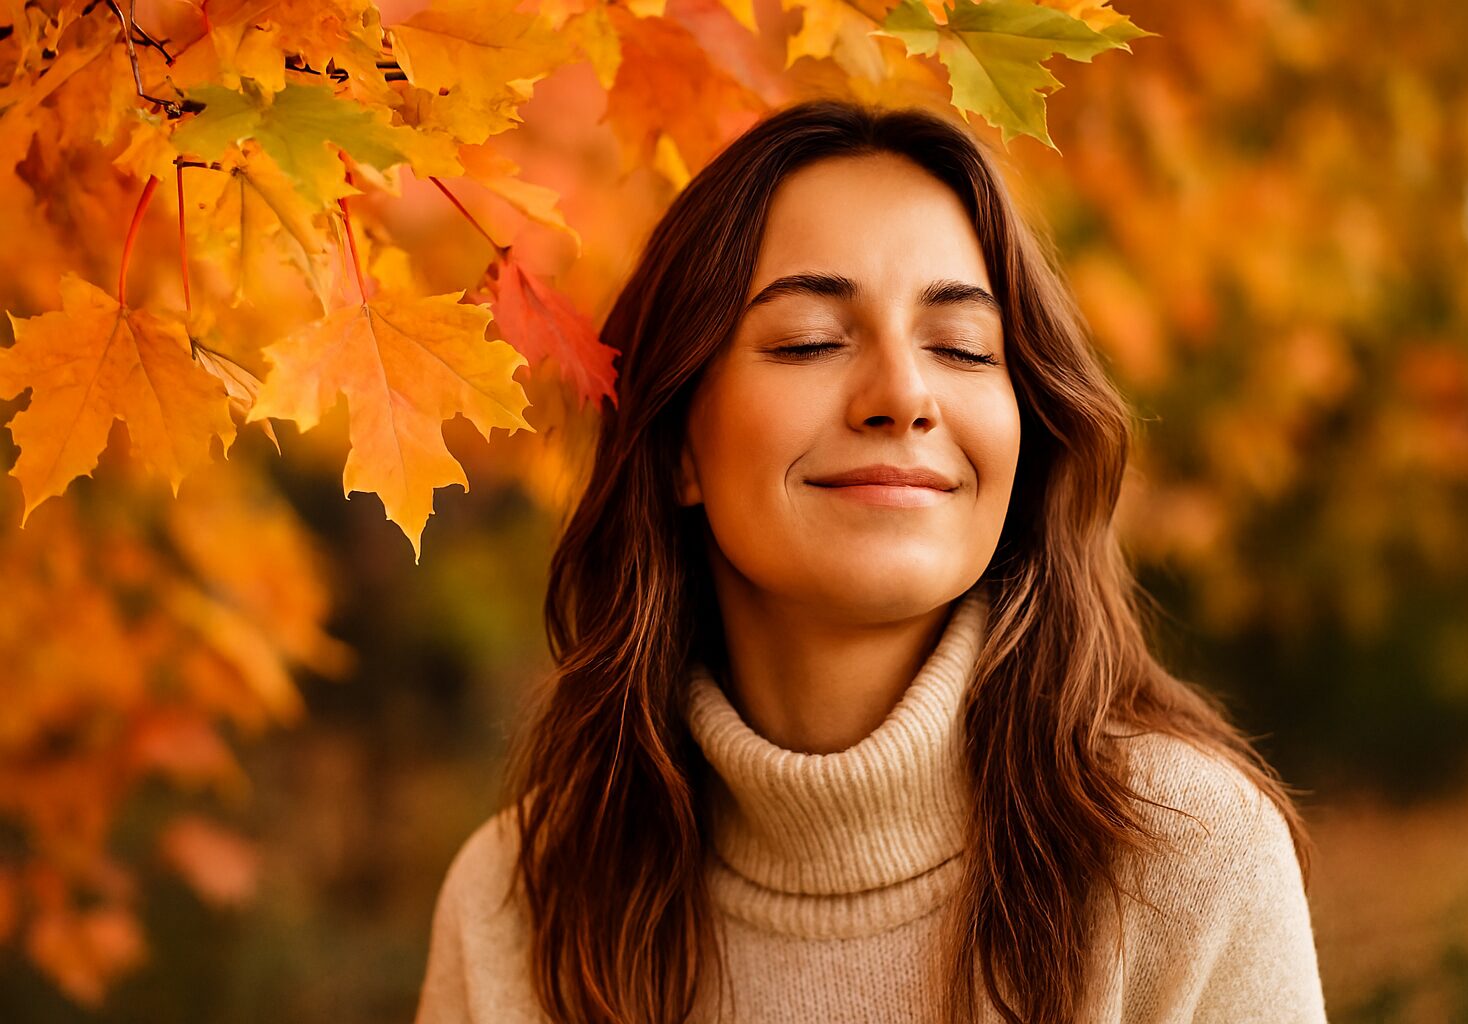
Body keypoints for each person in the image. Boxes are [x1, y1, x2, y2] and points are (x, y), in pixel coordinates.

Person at [413, 99, 1329, 1024]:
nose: (903, 395)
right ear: (680, 446)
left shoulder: (1185, 856)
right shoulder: (517, 906)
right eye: (809, 340)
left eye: (965, 348)